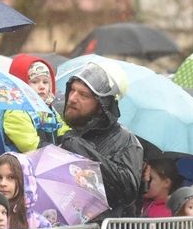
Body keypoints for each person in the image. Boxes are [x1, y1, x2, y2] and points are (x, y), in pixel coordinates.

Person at [57, 63, 143, 219]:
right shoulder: (55, 128)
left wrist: (78, 148)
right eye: (72, 90)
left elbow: (125, 190)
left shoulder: (125, 140)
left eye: (84, 95)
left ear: (102, 105)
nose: (72, 98)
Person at [0, 55, 67, 165]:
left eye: (45, 82)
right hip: (15, 173)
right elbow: (33, 147)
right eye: (35, 82)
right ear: (21, 83)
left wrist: (70, 139)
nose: (42, 87)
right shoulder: (15, 111)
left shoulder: (46, 109)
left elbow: (61, 129)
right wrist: (62, 154)